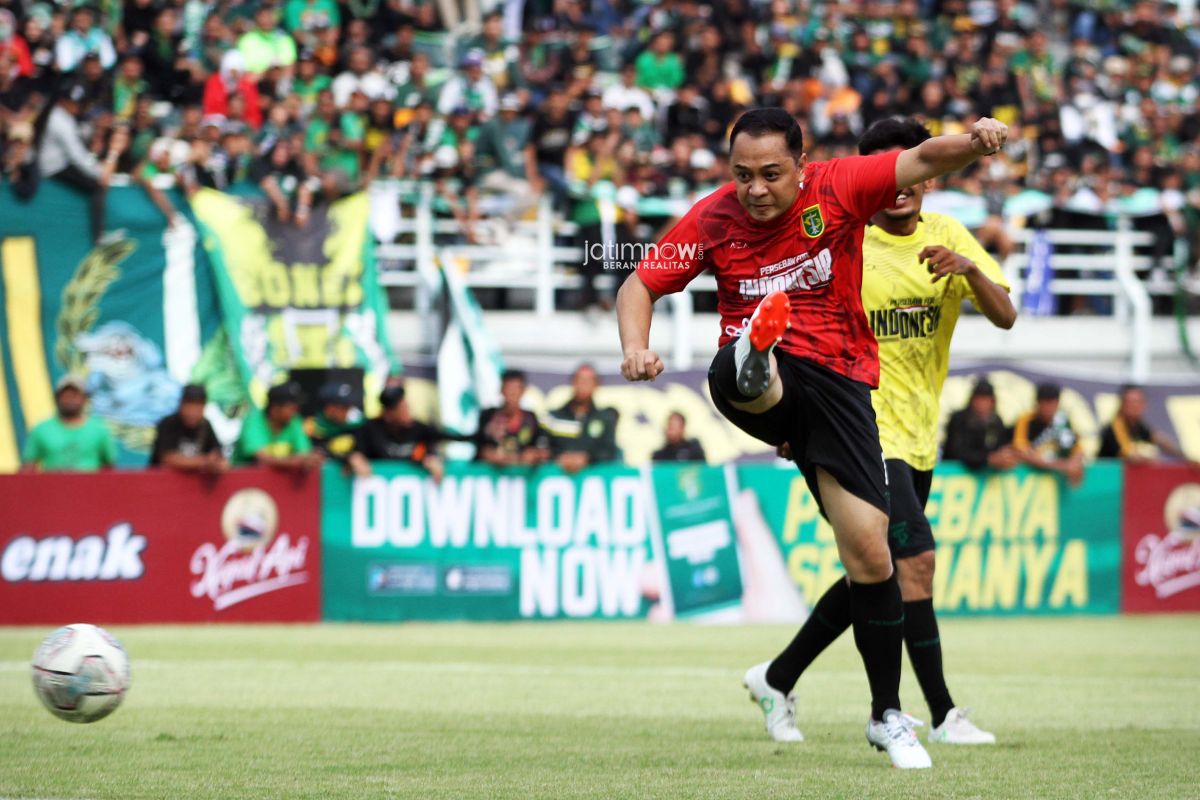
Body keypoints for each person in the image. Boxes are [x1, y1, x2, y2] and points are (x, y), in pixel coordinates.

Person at [617, 106, 1011, 769]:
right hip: (759, 384)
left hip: (842, 391)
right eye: (742, 175)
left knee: (872, 556)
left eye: (772, 174)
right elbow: (640, 282)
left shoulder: (840, 187)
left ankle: (887, 714)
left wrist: (974, 143)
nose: (756, 189)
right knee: (740, 370)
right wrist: (635, 347)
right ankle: (758, 355)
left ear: (802, 165)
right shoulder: (714, 218)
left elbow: (921, 160)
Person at [758, 117, 1016, 750]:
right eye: (883, 169)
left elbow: (1006, 315)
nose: (899, 185)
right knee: (914, 563)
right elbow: (789, 332)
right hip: (862, 431)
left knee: (872, 571)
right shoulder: (841, 238)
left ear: (926, 173)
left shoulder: (949, 235)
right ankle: (941, 712)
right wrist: (788, 421)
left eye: (909, 168)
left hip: (919, 434)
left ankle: (776, 676)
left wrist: (969, 269)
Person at [21, 374, 116, 472]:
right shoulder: (41, 430)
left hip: (89, 486)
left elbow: (108, 468)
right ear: (56, 399)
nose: (70, 400)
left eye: (75, 395)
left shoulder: (99, 430)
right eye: (66, 395)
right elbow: (29, 467)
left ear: (85, 399)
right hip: (52, 486)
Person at [353, 384, 444, 481]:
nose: (407, 411)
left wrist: (432, 458)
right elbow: (355, 452)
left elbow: (436, 442)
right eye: (401, 409)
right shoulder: (369, 429)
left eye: (406, 406)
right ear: (388, 414)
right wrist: (353, 458)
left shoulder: (420, 429)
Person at [542, 364, 619, 475]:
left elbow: (609, 452)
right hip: (555, 481)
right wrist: (559, 457)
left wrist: (587, 458)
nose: (583, 385)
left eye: (588, 381)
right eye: (579, 380)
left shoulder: (604, 418)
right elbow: (541, 449)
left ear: (596, 385)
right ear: (572, 383)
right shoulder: (553, 417)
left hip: (592, 484)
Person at [1098, 384, 1198, 465]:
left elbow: (1162, 441)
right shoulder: (1114, 428)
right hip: (1106, 481)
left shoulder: (1140, 426)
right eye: (1131, 402)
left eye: (1138, 402)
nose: (1135, 406)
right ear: (1122, 404)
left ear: (1144, 404)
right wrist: (1152, 461)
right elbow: (1130, 457)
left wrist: (1186, 458)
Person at [232, 382, 322, 472]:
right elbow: (262, 459)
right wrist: (296, 462)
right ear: (275, 409)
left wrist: (307, 460)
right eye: (291, 408)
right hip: (245, 482)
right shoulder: (253, 421)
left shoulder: (294, 422)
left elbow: (304, 455)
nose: (295, 413)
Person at [1013, 383, 1085, 485]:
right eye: (1044, 403)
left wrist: (1074, 464)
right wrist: (1063, 465)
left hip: (1055, 485)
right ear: (1037, 403)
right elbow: (1022, 453)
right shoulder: (1026, 420)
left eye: (1052, 403)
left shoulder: (1062, 422)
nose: (1048, 408)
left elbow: (1078, 451)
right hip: (1029, 481)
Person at [942, 379, 1019, 471]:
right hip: (954, 474)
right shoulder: (959, 419)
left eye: (986, 400)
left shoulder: (996, 421)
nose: (982, 404)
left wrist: (1004, 455)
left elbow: (999, 446)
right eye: (979, 399)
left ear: (992, 402)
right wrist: (988, 459)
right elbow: (955, 451)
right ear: (972, 400)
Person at [476, 369, 548, 467]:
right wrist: (489, 455)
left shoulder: (531, 419)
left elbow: (541, 450)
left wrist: (534, 455)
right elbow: (480, 448)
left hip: (523, 479)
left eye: (516, 390)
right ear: (501, 390)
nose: (512, 395)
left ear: (523, 391)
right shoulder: (489, 416)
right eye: (509, 389)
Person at [150, 383, 227, 473]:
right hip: (161, 483)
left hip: (194, 486)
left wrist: (218, 464)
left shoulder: (205, 426)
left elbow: (218, 456)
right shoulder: (168, 423)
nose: (193, 411)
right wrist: (204, 461)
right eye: (189, 404)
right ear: (181, 404)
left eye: (198, 405)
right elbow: (167, 458)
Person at [304, 379, 363, 469]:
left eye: (350, 406)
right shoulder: (311, 427)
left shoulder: (358, 425)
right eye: (344, 407)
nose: (348, 411)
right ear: (329, 407)